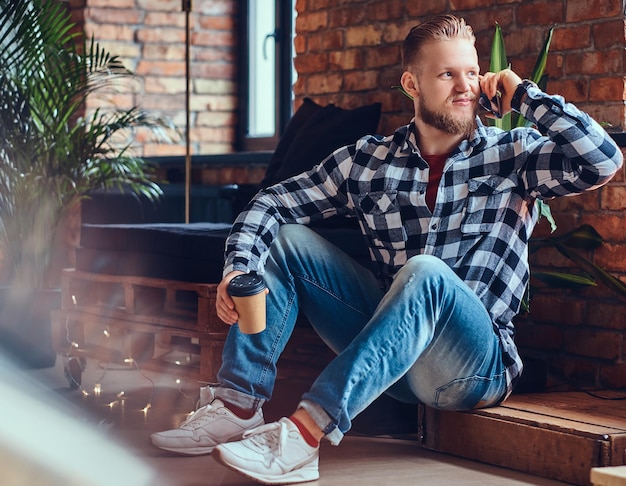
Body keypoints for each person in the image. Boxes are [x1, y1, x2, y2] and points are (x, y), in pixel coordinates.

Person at [150, 14, 622, 484]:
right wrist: (239, 268)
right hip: (394, 362)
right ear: (411, 84)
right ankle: (238, 404)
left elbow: (603, 159)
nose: (466, 86)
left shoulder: (513, 155)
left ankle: (305, 434)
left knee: (427, 272)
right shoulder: (368, 161)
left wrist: (523, 95)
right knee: (287, 239)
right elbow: (273, 201)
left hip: (472, 369)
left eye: (473, 72)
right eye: (447, 74)